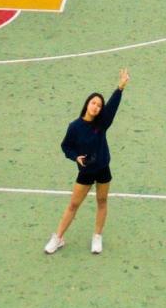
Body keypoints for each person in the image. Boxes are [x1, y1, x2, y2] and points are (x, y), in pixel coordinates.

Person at [45, 68, 130, 255]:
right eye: (93, 103)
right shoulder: (74, 127)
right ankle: (58, 238)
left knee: (102, 201)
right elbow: (66, 146)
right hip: (85, 172)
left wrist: (120, 88)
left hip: (102, 169)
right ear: (87, 104)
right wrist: (75, 157)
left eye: (99, 105)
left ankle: (97, 237)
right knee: (73, 205)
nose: (96, 107)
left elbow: (112, 107)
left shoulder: (101, 124)